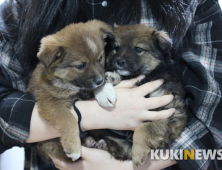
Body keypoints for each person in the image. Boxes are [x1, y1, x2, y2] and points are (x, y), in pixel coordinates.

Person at [0, 0, 221, 170]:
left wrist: (136, 165)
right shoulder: (22, 7)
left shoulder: (191, 4)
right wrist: (89, 115)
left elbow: (215, 130)